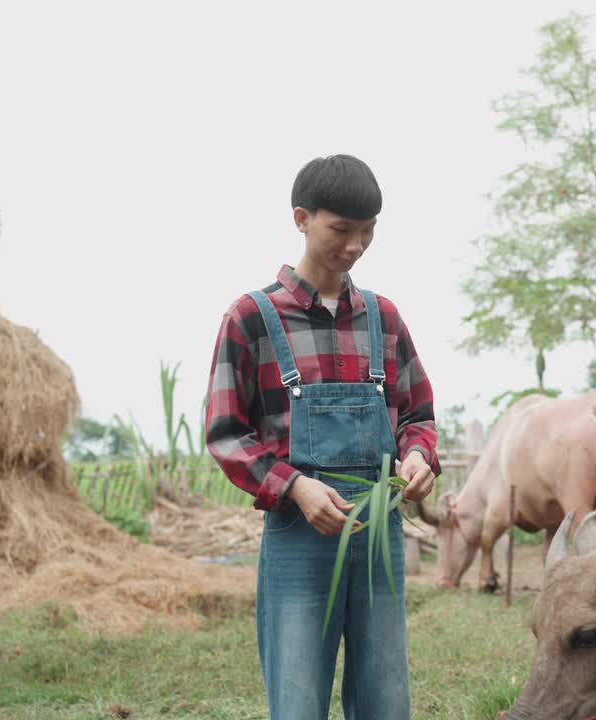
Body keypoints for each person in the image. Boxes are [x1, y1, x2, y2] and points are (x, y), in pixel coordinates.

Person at [205, 154, 438, 720]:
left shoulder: (384, 317)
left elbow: (418, 414)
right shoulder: (252, 318)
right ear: (301, 219)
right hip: (298, 532)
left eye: (368, 231)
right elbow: (226, 434)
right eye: (341, 229)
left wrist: (416, 456)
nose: (356, 244)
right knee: (299, 696)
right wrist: (296, 488)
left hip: (379, 530)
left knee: (386, 694)